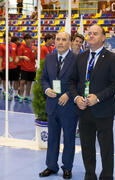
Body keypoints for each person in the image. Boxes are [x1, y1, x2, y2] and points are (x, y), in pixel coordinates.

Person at [68, 24, 115, 180]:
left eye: (95, 33)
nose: (90, 36)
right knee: (87, 145)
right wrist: (77, 98)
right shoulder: (81, 57)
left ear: (103, 38)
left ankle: (107, 175)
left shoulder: (112, 58)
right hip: (84, 110)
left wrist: (97, 97)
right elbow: (72, 82)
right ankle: (89, 174)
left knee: (106, 147)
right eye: (89, 33)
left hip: (103, 109)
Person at [39, 31, 79, 179]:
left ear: (70, 42)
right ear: (54, 42)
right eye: (58, 39)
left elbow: (79, 82)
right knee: (52, 138)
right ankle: (51, 166)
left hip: (68, 107)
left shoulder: (76, 59)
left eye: (64, 39)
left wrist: (68, 94)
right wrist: (47, 89)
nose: (60, 42)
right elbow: (43, 79)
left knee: (69, 138)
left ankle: (67, 168)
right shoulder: (49, 58)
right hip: (52, 105)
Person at [0, 33, 19, 101]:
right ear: (4, 38)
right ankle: (7, 93)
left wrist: (16, 59)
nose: (8, 38)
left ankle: (16, 94)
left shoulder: (14, 45)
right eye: (7, 37)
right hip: (5, 66)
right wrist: (0, 66)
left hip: (14, 66)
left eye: (9, 36)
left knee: (16, 80)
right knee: (5, 80)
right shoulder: (1, 46)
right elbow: (0, 57)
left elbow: (17, 55)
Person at [17, 34, 37, 103]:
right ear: (24, 40)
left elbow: (36, 57)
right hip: (24, 68)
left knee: (29, 83)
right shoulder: (22, 47)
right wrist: (23, 57)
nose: (28, 40)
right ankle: (21, 96)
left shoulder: (34, 47)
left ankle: (27, 96)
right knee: (22, 82)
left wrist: (36, 51)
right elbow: (18, 57)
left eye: (29, 39)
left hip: (32, 69)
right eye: (27, 39)